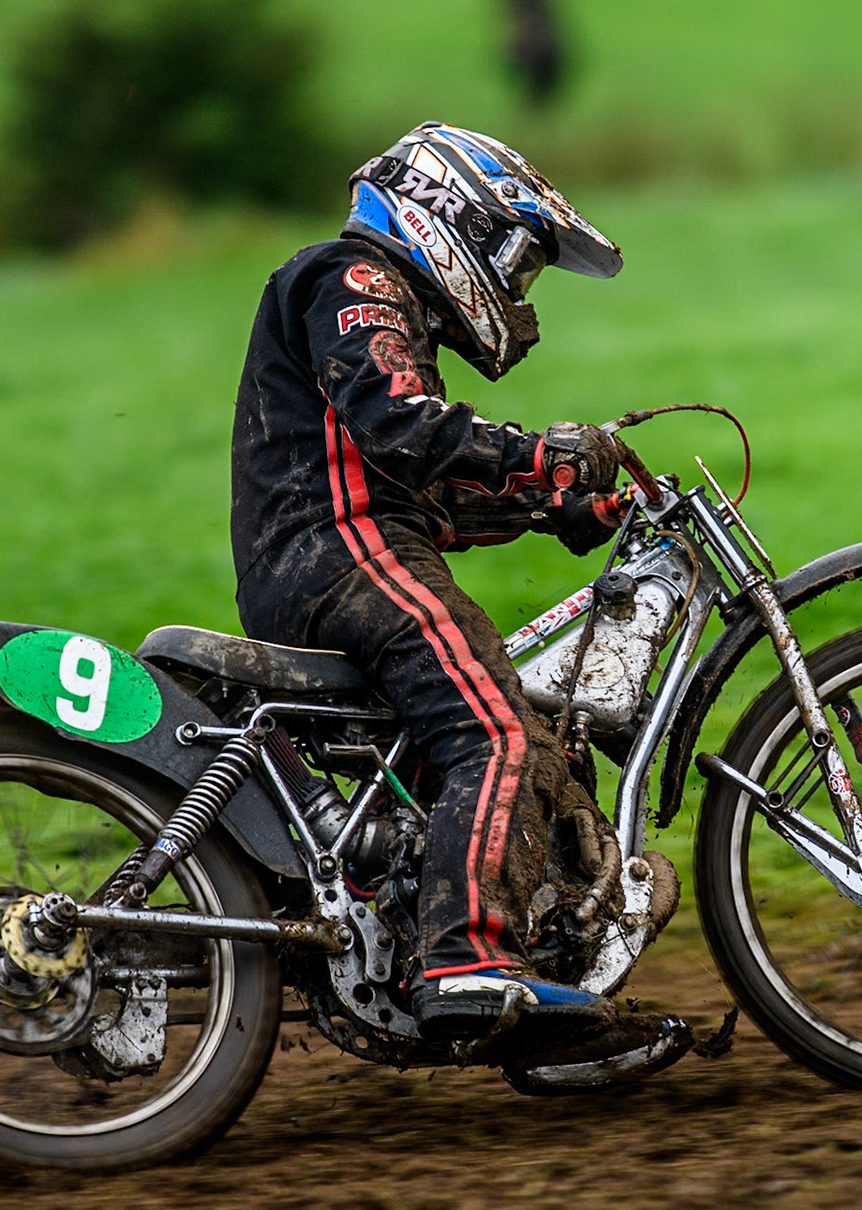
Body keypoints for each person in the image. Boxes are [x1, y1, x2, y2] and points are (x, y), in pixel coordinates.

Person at [229, 122, 644, 1044]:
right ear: (452, 217)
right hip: (346, 556)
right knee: (494, 729)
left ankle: (444, 936)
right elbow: (406, 427)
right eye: (519, 262)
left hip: (334, 554)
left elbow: (422, 490)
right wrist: (544, 453)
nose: (518, 290)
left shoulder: (378, 304)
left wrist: (555, 507)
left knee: (519, 737)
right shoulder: (355, 278)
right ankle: (465, 963)